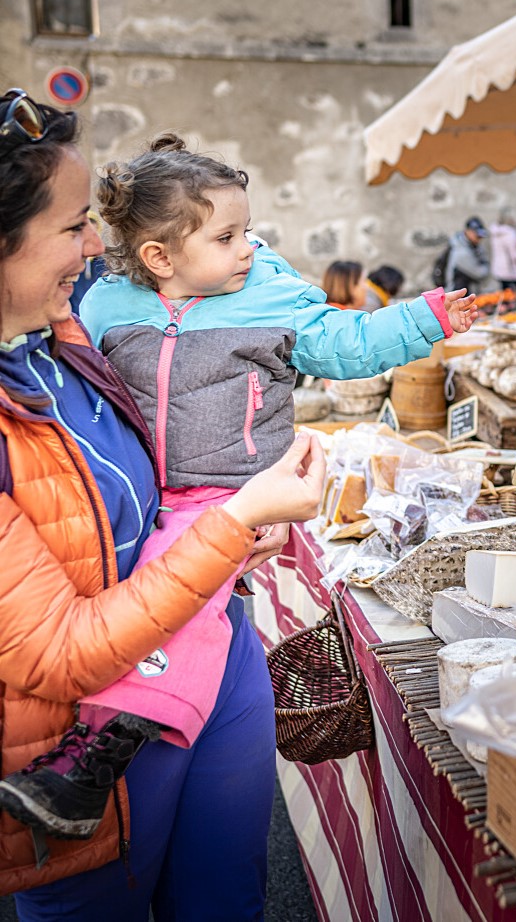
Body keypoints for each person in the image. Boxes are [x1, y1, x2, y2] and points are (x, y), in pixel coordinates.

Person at [3, 132, 479, 849]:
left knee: (197, 607)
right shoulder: (98, 311)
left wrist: (423, 320)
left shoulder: (268, 292)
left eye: (246, 230)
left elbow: (344, 342)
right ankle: (108, 742)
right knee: (193, 602)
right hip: (159, 513)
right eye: (228, 235)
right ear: (161, 256)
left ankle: (108, 739)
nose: (248, 246)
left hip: (225, 492)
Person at [0, 88, 325, 915]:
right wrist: (236, 522)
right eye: (73, 228)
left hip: (209, 658)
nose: (95, 250)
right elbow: (59, 651)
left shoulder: (64, 336)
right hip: (89, 735)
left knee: (226, 897)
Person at [445, 215, 490, 293]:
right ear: (468, 232)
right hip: (457, 295)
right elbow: (480, 273)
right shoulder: (460, 251)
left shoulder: (473, 246)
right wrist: (485, 264)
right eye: (477, 235)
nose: (479, 238)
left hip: (465, 292)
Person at [489, 210, 516, 293]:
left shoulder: (496, 232)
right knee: (514, 299)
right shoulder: (510, 234)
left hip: (500, 269)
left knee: (505, 298)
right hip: (511, 272)